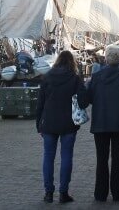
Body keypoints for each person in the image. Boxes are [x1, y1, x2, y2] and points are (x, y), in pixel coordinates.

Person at [36, 51, 89, 204]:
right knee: (66, 157)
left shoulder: (47, 77)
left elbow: (40, 104)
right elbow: (84, 102)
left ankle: (48, 193)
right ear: (72, 62)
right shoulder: (75, 79)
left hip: (49, 123)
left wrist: (38, 124)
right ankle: (63, 193)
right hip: (68, 123)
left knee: (48, 157)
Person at [86, 45, 119, 202]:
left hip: (101, 122)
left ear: (106, 59)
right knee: (118, 158)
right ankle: (118, 193)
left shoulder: (96, 77)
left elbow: (88, 99)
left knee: (101, 159)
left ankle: (100, 194)